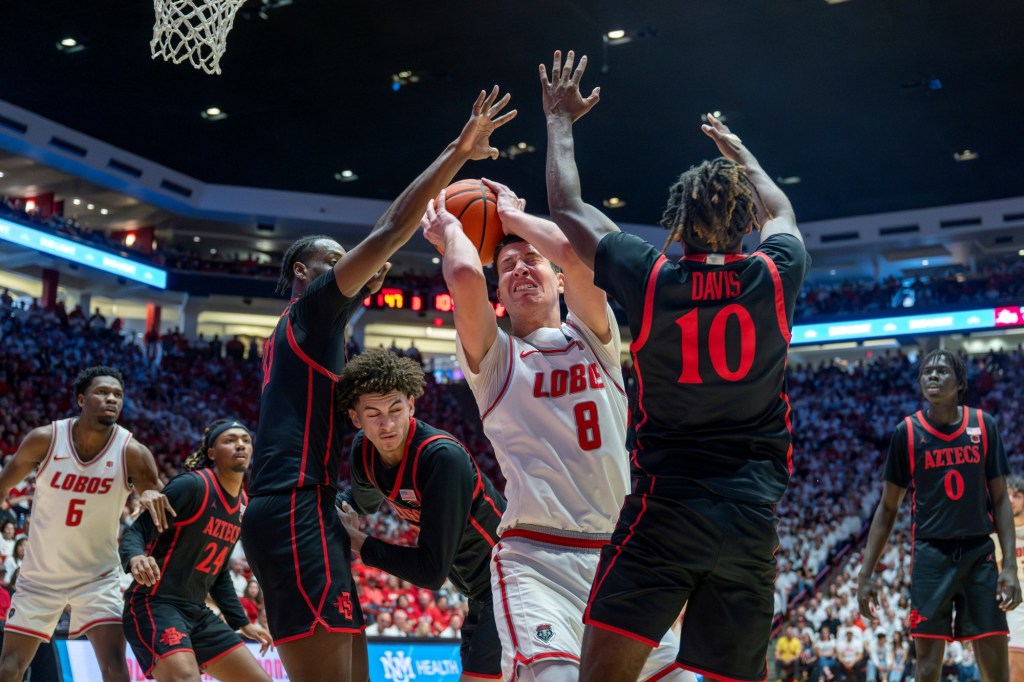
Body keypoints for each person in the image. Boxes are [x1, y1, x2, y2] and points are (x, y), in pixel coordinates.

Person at [539, 49, 809, 682]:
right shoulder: (775, 273)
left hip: (668, 507)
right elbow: (784, 212)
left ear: (676, 223)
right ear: (746, 227)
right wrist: (741, 155)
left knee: (603, 671)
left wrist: (558, 119)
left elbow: (568, 207)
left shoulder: (652, 276)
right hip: (749, 515)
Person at [240, 85, 515, 682]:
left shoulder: (308, 339)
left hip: (299, 505)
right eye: (334, 258)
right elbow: (392, 227)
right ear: (302, 272)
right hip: (292, 505)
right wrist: (458, 151)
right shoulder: (311, 311)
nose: (348, 265)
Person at [421, 178, 685, 682]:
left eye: (531, 260)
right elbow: (460, 272)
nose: (520, 268)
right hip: (537, 558)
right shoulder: (495, 360)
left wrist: (514, 218)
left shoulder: (594, 336)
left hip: (617, 557)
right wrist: (453, 231)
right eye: (506, 267)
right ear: (498, 291)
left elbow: (577, 255)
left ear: (557, 278)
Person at [334, 349, 507, 680]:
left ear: (411, 405)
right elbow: (362, 503)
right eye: (373, 414)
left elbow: (430, 572)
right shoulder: (364, 452)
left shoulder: (441, 458)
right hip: (479, 593)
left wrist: (357, 541)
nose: (387, 424)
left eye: (396, 410)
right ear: (356, 418)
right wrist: (327, 509)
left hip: (511, 583)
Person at [0, 366, 174, 682]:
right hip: (41, 574)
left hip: (98, 576)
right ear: (81, 399)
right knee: (10, 666)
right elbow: (2, 486)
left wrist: (150, 495)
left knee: (114, 667)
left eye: (118, 395)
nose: (111, 399)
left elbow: (160, 506)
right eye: (102, 392)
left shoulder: (133, 453)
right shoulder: (45, 440)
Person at [857, 349, 1021, 682]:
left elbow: (1001, 500)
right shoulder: (907, 432)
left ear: (960, 382)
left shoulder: (983, 425)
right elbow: (888, 508)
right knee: (928, 668)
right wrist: (866, 573)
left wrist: (1010, 568)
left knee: (996, 670)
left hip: (979, 553)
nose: (932, 376)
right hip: (931, 557)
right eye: (926, 372)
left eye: (942, 371)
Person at [120, 418, 273, 681]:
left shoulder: (243, 505)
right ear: (212, 452)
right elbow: (137, 531)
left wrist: (242, 622)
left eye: (246, 441)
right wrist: (136, 557)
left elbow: (219, 571)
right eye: (230, 440)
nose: (240, 446)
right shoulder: (191, 486)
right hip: (155, 604)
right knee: (186, 678)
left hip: (196, 612)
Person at [994, 475, 1024, 680]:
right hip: (1017, 598)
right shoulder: (997, 535)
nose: (1011, 500)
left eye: (1018, 495)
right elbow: (999, 574)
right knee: (1015, 670)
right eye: (1008, 495)